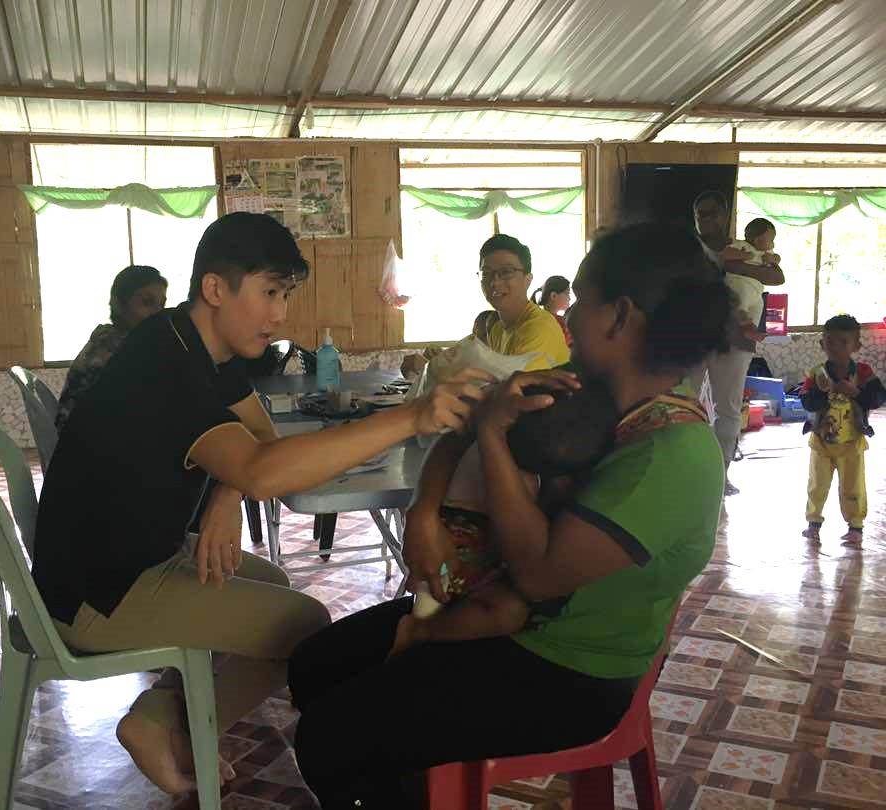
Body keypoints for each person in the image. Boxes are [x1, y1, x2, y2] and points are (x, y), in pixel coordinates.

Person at [31, 213, 488, 796]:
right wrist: (411, 417)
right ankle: (167, 721)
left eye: (285, 294)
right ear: (216, 289)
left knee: (271, 579)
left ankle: (166, 713)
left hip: (131, 555)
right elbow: (264, 469)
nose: (280, 314)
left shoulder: (191, 343)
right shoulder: (169, 369)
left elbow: (261, 442)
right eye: (269, 293)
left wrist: (228, 487)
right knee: (305, 627)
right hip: (98, 591)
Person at [288, 222, 731, 810]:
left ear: (620, 317)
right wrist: (424, 511)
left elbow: (540, 574)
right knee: (314, 666)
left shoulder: (669, 453)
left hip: (573, 672)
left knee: (331, 736)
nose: (568, 317)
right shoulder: (581, 393)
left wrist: (496, 435)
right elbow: (465, 426)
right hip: (512, 620)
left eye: (583, 301)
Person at [396, 380, 619, 655]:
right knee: (435, 596)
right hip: (448, 544)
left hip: (491, 562)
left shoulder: (533, 460)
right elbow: (450, 442)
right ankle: (416, 631)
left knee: (506, 612)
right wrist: (423, 514)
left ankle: (422, 630)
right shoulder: (488, 440)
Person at [691, 190, 785, 495]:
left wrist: (735, 267)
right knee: (687, 404)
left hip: (736, 339)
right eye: (700, 214)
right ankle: (688, 469)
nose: (706, 219)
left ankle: (721, 474)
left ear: (725, 214)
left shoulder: (742, 248)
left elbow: (777, 277)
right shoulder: (688, 249)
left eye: (711, 213)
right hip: (696, 337)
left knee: (729, 408)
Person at [399, 234, 570, 380]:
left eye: (506, 272)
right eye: (486, 273)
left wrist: (430, 370)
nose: (494, 282)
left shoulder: (539, 328)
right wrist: (441, 361)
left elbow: (507, 395)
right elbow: (486, 377)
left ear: (528, 279)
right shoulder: (497, 330)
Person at [798, 314, 885, 546]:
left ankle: (855, 526)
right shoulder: (816, 374)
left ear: (856, 346)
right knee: (817, 485)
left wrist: (855, 392)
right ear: (822, 344)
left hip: (852, 442)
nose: (835, 347)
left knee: (853, 485)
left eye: (843, 342)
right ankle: (813, 524)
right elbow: (806, 402)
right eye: (830, 341)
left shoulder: (863, 373)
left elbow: (878, 397)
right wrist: (823, 393)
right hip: (821, 443)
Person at [55, 265, 168, 433]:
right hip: (88, 449)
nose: (158, 313)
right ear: (119, 303)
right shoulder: (111, 350)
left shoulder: (111, 339)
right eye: (147, 302)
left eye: (162, 305)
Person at [728, 218, 780, 347]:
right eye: (771, 240)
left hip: (756, 290)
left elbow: (778, 258)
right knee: (739, 305)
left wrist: (773, 259)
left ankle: (753, 330)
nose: (773, 244)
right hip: (740, 283)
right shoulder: (742, 246)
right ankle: (747, 329)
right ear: (757, 240)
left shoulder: (766, 253)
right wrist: (744, 256)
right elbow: (727, 253)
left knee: (757, 309)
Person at [531, 274, 573, 346]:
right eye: (567, 293)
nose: (569, 298)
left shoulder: (535, 318)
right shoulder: (560, 322)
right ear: (553, 296)